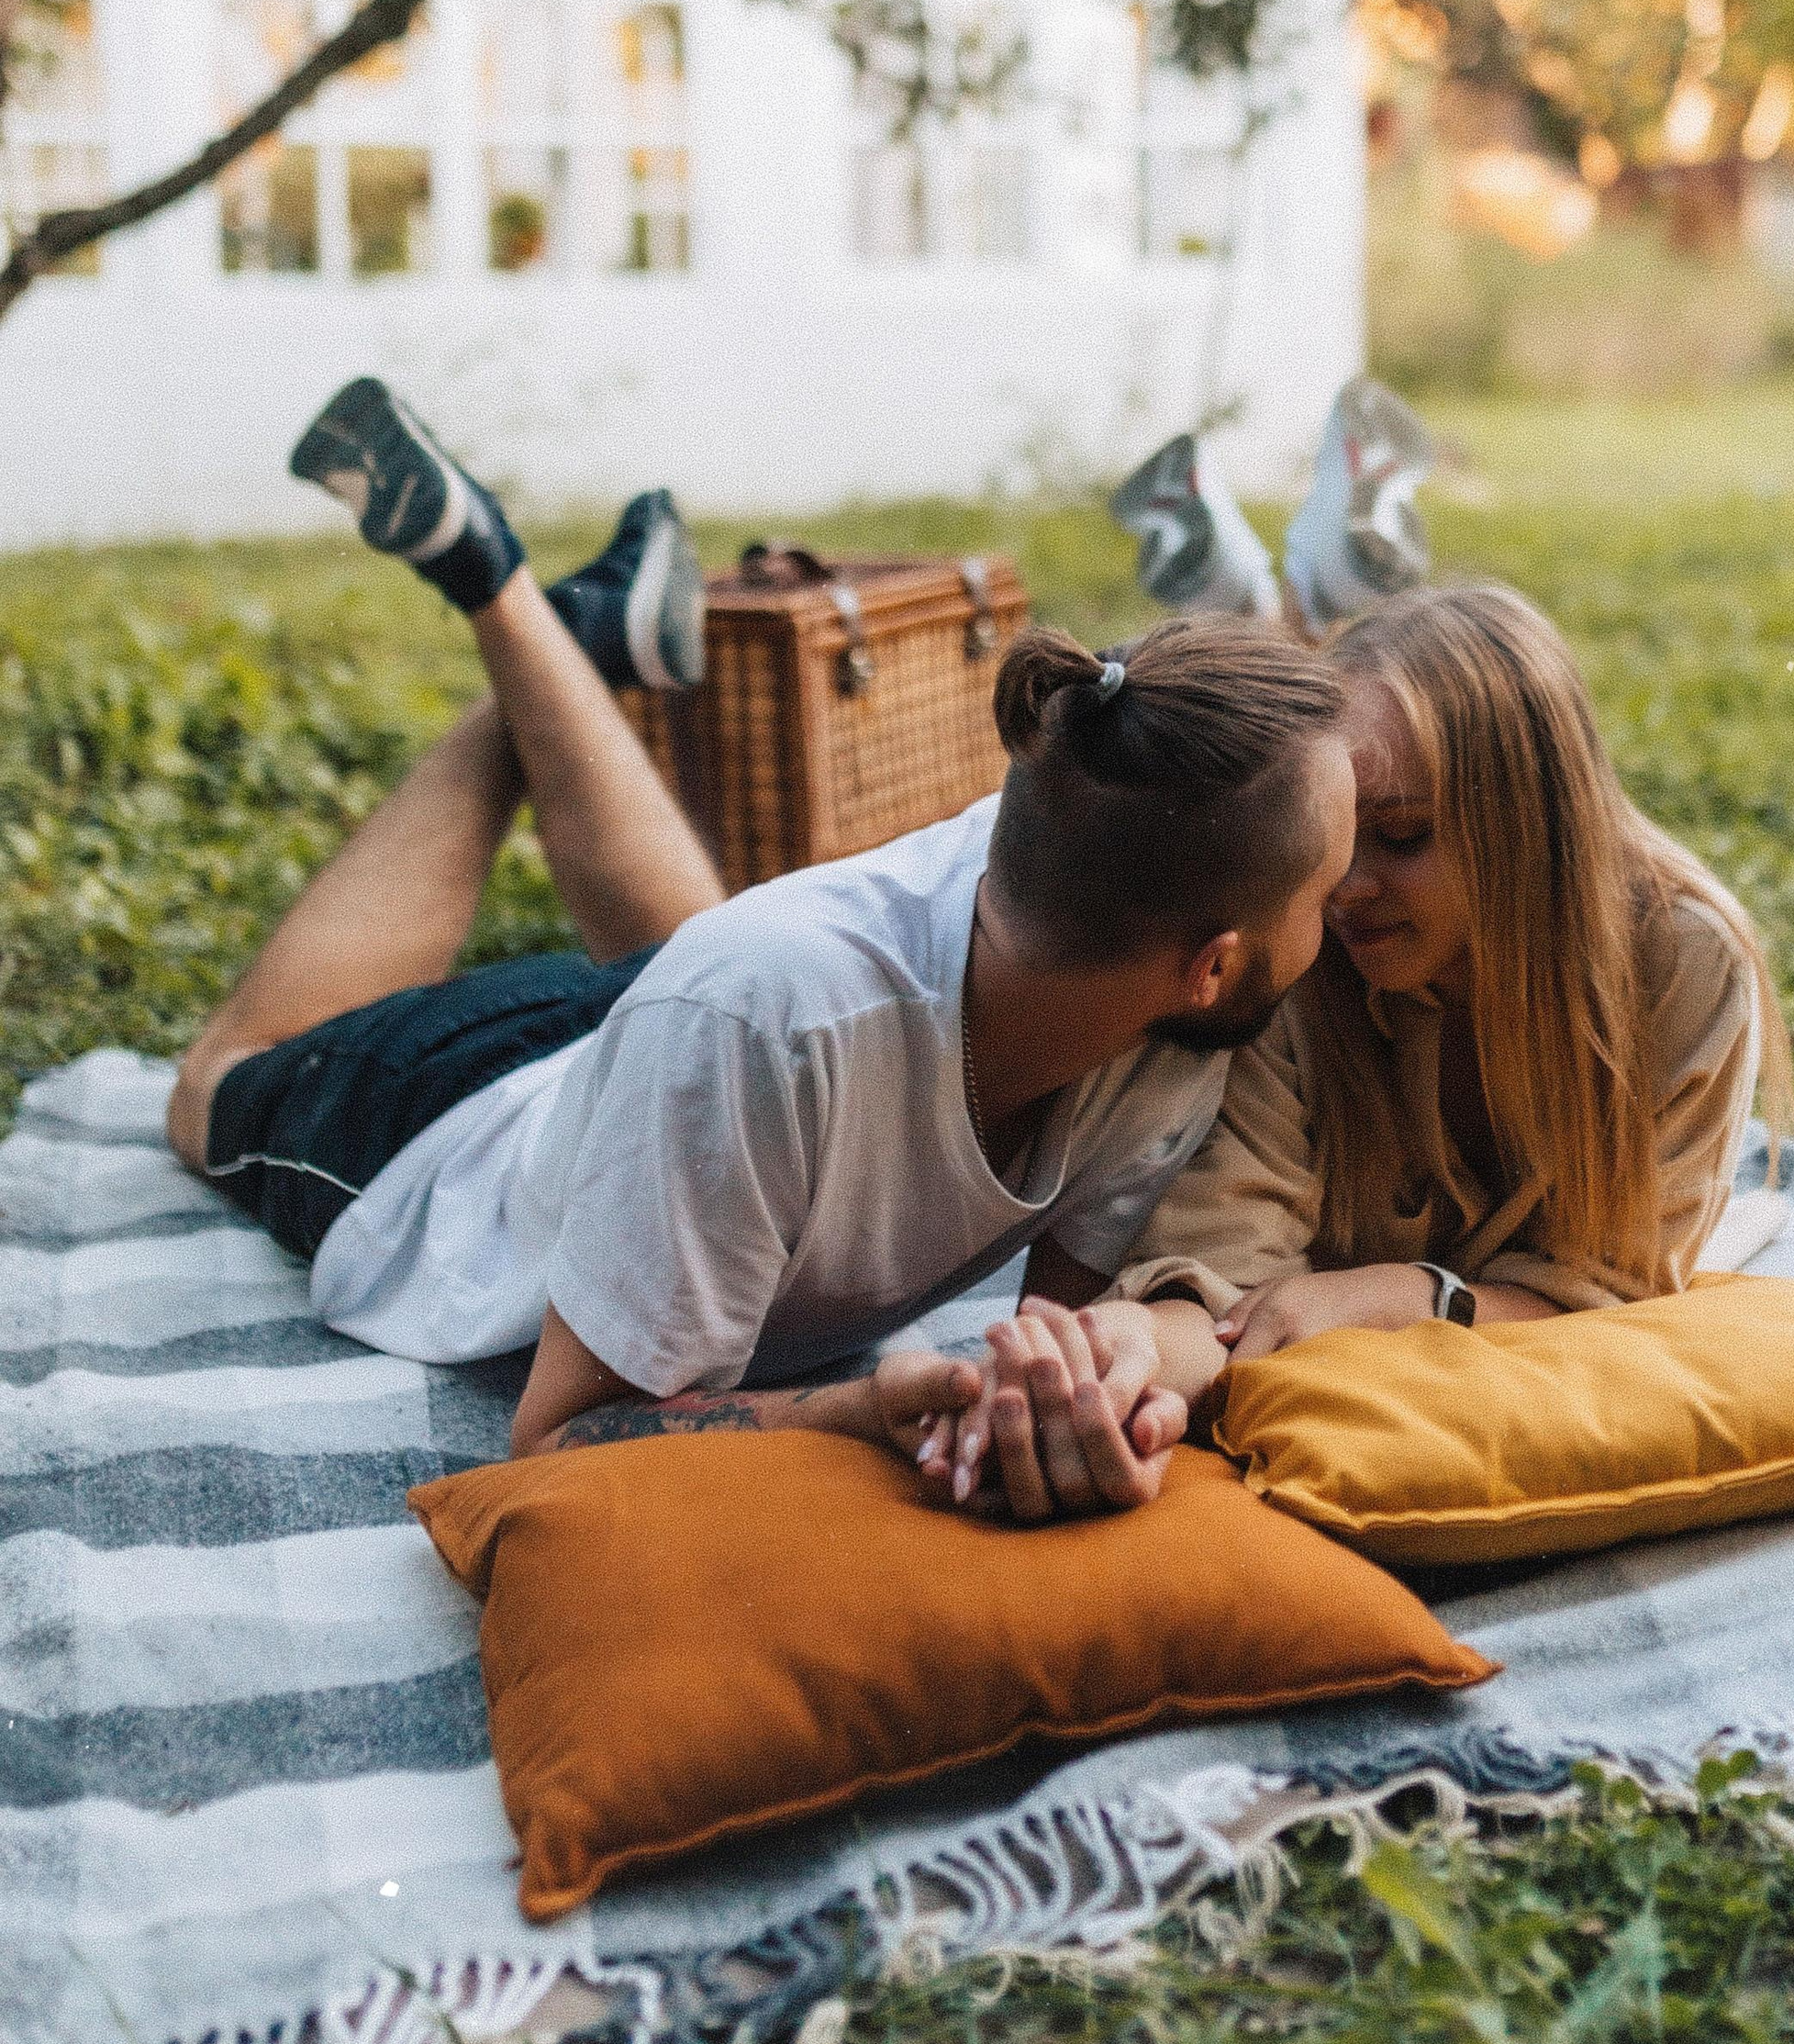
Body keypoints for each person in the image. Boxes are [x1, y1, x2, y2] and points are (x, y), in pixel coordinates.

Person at [167, 378, 1355, 1480]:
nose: (1340, 914)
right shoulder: (769, 1018)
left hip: (697, 1043)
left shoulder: (1130, 949)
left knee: (740, 997)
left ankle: (573, 645)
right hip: (452, 1128)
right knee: (220, 1081)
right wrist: (855, 1414)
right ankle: (512, 607)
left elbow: (1049, 1344)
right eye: (1325, 893)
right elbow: (565, 1437)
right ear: (1214, 965)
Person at [946, 577, 1792, 1513]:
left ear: (1529, 829)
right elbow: (1221, 1274)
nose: (1346, 888)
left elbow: (1618, 1288)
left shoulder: (1683, 964)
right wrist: (1128, 1360)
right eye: (1341, 835)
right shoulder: (1295, 951)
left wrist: (1407, 1295)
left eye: (1401, 835)